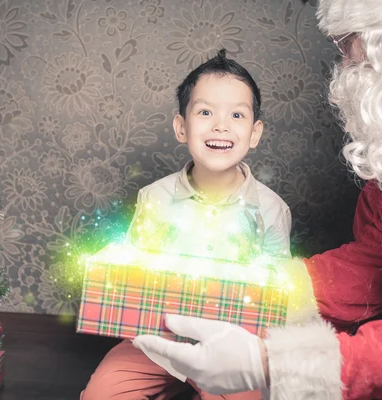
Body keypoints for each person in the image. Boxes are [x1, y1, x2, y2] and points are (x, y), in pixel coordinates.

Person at [133, 0, 382, 399]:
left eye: (352, 48)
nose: (342, 66)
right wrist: (262, 291)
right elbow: (375, 258)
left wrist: (271, 362)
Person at [81, 49, 293, 399]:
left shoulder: (271, 209)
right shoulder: (154, 197)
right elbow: (135, 272)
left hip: (231, 346)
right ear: (182, 126)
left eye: (236, 114)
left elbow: (277, 293)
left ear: (255, 133)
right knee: (99, 395)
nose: (220, 125)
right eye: (205, 112)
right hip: (156, 340)